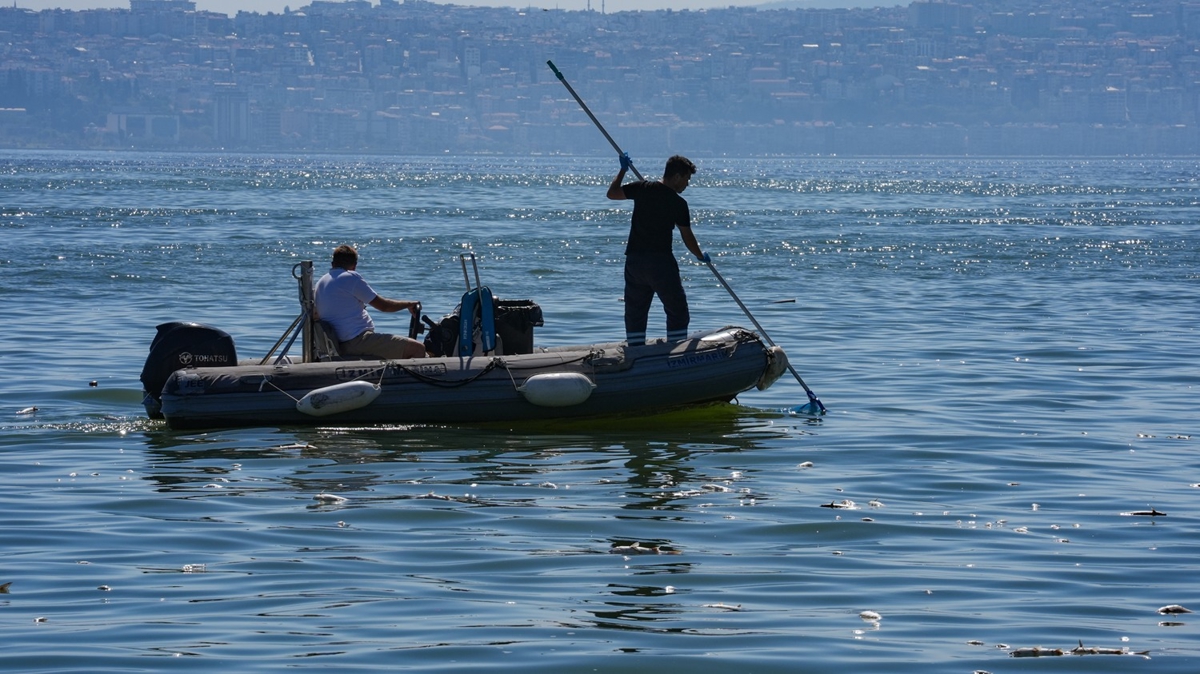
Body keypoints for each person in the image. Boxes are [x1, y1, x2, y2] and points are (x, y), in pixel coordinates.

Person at [606, 153, 708, 346]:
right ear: (676, 176)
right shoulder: (678, 203)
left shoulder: (642, 188)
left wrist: (622, 171)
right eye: (686, 179)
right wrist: (700, 255)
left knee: (635, 311)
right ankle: (676, 350)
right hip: (659, 263)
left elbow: (612, 193)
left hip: (634, 262)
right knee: (677, 309)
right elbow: (687, 236)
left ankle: (635, 350)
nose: (687, 184)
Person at [313, 244, 427, 360]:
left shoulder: (321, 282)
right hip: (357, 341)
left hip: (339, 343)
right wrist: (408, 304)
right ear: (354, 266)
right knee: (417, 348)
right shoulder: (350, 277)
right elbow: (384, 306)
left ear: (333, 264)